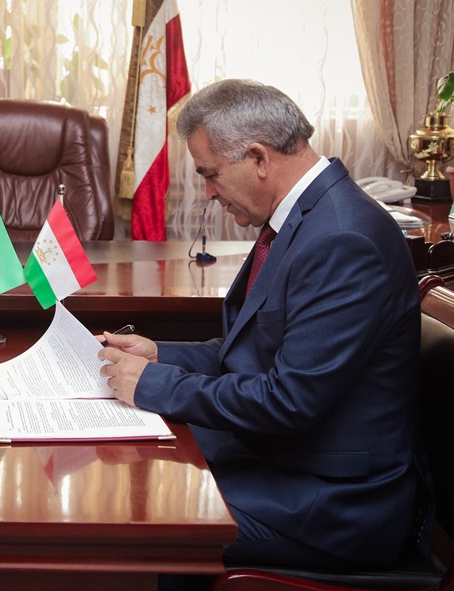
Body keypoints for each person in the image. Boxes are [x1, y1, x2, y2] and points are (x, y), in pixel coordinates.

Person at [98, 80, 429, 579]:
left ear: (257, 157)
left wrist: (154, 384)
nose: (208, 193)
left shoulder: (341, 239)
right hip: (287, 468)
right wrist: (160, 355)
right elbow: (254, 351)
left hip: (333, 505)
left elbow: (289, 400)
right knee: (140, 479)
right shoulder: (301, 218)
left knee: (143, 516)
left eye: (210, 175)